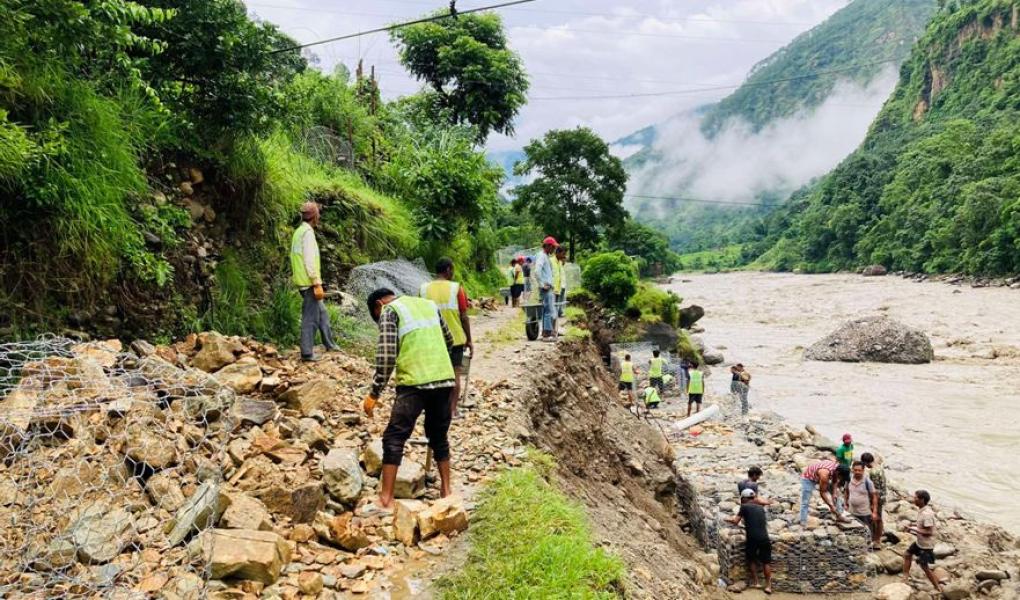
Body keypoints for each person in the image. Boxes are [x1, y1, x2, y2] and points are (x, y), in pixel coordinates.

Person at [362, 288, 456, 510]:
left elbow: (386, 357)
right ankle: (446, 491)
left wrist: (374, 393)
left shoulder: (389, 311)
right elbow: (449, 340)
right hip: (444, 378)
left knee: (394, 437)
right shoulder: (428, 305)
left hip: (414, 382)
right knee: (438, 435)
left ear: (378, 305)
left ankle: (386, 499)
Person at [420, 257, 473, 418]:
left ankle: (433, 410)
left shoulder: (423, 288)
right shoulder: (456, 288)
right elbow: (464, 316)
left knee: (433, 374)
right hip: (455, 338)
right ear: (448, 270)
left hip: (432, 338)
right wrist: (469, 339)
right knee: (454, 374)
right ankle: (452, 410)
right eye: (453, 269)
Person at [290, 202, 339, 362]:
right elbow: (310, 260)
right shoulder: (308, 234)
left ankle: (330, 344)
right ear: (315, 216)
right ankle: (307, 353)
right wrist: (316, 282)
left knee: (322, 313)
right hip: (308, 282)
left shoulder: (299, 231)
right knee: (310, 318)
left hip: (303, 280)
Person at [727, 488, 773, 594]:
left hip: (752, 538)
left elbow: (735, 521)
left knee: (751, 559)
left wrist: (727, 519)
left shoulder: (744, 507)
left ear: (744, 498)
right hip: (765, 537)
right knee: (766, 562)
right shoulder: (761, 508)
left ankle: (756, 582)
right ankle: (768, 586)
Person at [903, 490, 942, 594]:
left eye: (916, 498)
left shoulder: (927, 514)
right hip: (920, 542)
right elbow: (922, 527)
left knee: (924, 567)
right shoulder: (921, 510)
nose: (913, 499)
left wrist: (912, 529)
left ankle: (937, 587)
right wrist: (913, 527)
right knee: (907, 554)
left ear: (922, 500)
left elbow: (929, 532)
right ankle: (905, 576)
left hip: (926, 545)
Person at [799, 458, 850, 525]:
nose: (841, 479)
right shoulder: (824, 475)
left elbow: (835, 481)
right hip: (808, 478)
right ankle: (803, 520)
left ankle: (839, 516)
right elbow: (822, 492)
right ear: (838, 473)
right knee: (805, 501)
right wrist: (831, 506)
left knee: (837, 495)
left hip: (821, 473)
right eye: (841, 477)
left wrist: (834, 493)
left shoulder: (837, 468)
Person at [845, 461, 879, 537]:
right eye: (855, 470)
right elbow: (846, 491)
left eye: (859, 470)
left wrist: (874, 512)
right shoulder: (849, 479)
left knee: (867, 531)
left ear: (863, 471)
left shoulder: (867, 481)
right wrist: (845, 504)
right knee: (854, 530)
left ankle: (869, 545)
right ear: (852, 470)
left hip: (864, 513)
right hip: (852, 511)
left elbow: (874, 496)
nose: (857, 472)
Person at [533, 237, 557, 341]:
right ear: (547, 246)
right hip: (546, 288)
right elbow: (537, 271)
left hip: (548, 287)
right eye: (552, 247)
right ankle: (547, 334)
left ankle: (547, 332)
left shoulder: (545, 256)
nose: (553, 249)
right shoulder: (542, 256)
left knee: (548, 310)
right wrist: (542, 284)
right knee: (548, 310)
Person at [861, 452, 887, 549]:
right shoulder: (879, 467)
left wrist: (872, 502)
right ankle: (876, 538)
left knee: (877, 518)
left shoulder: (873, 472)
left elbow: (874, 489)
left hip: (878, 498)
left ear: (866, 462)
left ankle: (876, 540)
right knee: (878, 518)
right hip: (883, 496)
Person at [555, 246, 568, 317]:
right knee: (557, 300)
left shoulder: (560, 263)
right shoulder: (554, 261)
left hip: (562, 284)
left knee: (561, 300)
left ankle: (559, 312)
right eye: (563, 254)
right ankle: (557, 313)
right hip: (556, 286)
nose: (564, 257)